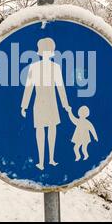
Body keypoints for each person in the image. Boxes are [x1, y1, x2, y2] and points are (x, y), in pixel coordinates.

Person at [21, 38, 70, 171]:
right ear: (41, 52)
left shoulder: (56, 68)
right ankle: (41, 161)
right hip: (39, 102)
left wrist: (66, 104)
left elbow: (61, 88)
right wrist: (24, 105)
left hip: (52, 102)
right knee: (41, 131)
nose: (47, 53)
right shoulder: (34, 67)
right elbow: (29, 87)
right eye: (45, 51)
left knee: (52, 130)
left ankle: (51, 159)